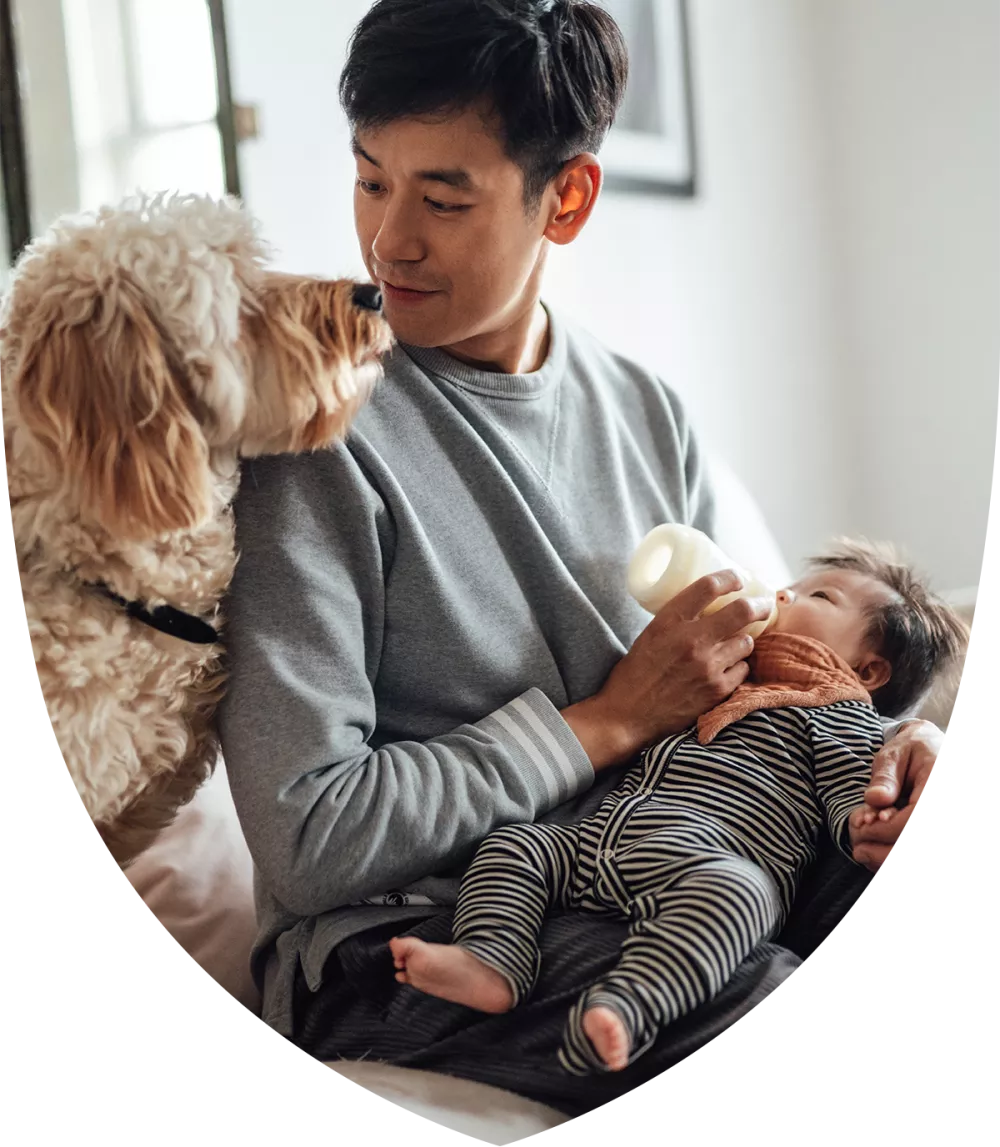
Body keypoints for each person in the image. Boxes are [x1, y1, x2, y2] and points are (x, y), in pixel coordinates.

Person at [217, 0, 948, 1114]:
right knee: (754, 987)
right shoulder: (316, 429)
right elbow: (311, 836)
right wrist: (604, 721)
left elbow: (780, 684)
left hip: (651, 872)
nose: (387, 241)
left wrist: (904, 751)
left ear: (566, 197)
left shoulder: (649, 416)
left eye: (442, 196)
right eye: (370, 179)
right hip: (410, 939)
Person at [387, 540, 969, 1074]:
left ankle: (627, 1007)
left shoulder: (833, 713)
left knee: (739, 897)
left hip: (701, 862)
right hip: (594, 842)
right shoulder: (719, 677)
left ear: (868, 670)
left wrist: (867, 816)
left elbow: (857, 796)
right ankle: (493, 957)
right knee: (514, 845)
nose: (784, 593)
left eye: (819, 596)